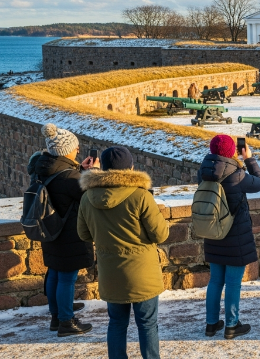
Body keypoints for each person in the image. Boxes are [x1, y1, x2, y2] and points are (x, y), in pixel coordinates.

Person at [77, 146, 169, 359]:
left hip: (110, 271)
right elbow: (160, 234)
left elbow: (83, 234)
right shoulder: (141, 196)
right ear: (131, 168)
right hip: (142, 273)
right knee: (147, 324)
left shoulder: (87, 197)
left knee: (117, 323)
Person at [199, 135, 260, 339]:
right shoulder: (237, 175)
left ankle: (211, 324)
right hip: (235, 235)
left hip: (213, 232)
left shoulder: (203, 171)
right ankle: (231, 325)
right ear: (231, 151)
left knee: (215, 280)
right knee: (233, 283)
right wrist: (249, 160)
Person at [35, 124, 96, 336]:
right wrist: (92, 174)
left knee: (54, 272)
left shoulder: (46, 167)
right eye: (75, 147)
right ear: (65, 150)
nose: (78, 150)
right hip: (68, 233)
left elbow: (64, 184)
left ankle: (56, 315)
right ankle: (66, 322)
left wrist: (80, 171)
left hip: (51, 231)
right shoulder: (68, 177)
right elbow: (90, 196)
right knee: (67, 278)